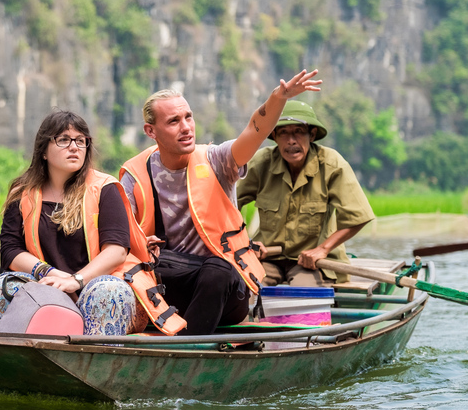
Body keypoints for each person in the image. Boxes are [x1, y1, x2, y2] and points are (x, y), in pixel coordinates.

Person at [119, 70, 322, 335]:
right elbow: (119, 242)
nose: (186, 127)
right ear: (151, 131)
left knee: (218, 271)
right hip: (165, 287)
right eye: (173, 121)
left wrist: (279, 97)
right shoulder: (135, 175)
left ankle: (186, 348)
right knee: (138, 270)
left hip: (225, 290)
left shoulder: (217, 160)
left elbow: (254, 131)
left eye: (188, 117)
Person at [0, 110, 185, 336]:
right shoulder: (22, 193)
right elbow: (11, 249)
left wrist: (76, 281)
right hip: (47, 288)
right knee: (4, 286)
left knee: (105, 292)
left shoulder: (105, 188)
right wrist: (49, 274)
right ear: (44, 151)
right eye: (64, 140)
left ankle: (95, 365)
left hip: (99, 287)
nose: (74, 147)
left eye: (80, 141)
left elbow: (116, 251)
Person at [236, 100, 375, 287]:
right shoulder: (261, 163)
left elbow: (359, 216)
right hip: (268, 257)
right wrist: (244, 242)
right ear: (275, 136)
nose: (291, 140)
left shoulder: (331, 165)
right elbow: (226, 204)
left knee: (304, 293)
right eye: (284, 132)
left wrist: (322, 249)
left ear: (312, 134)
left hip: (313, 263)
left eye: (298, 132)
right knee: (244, 287)